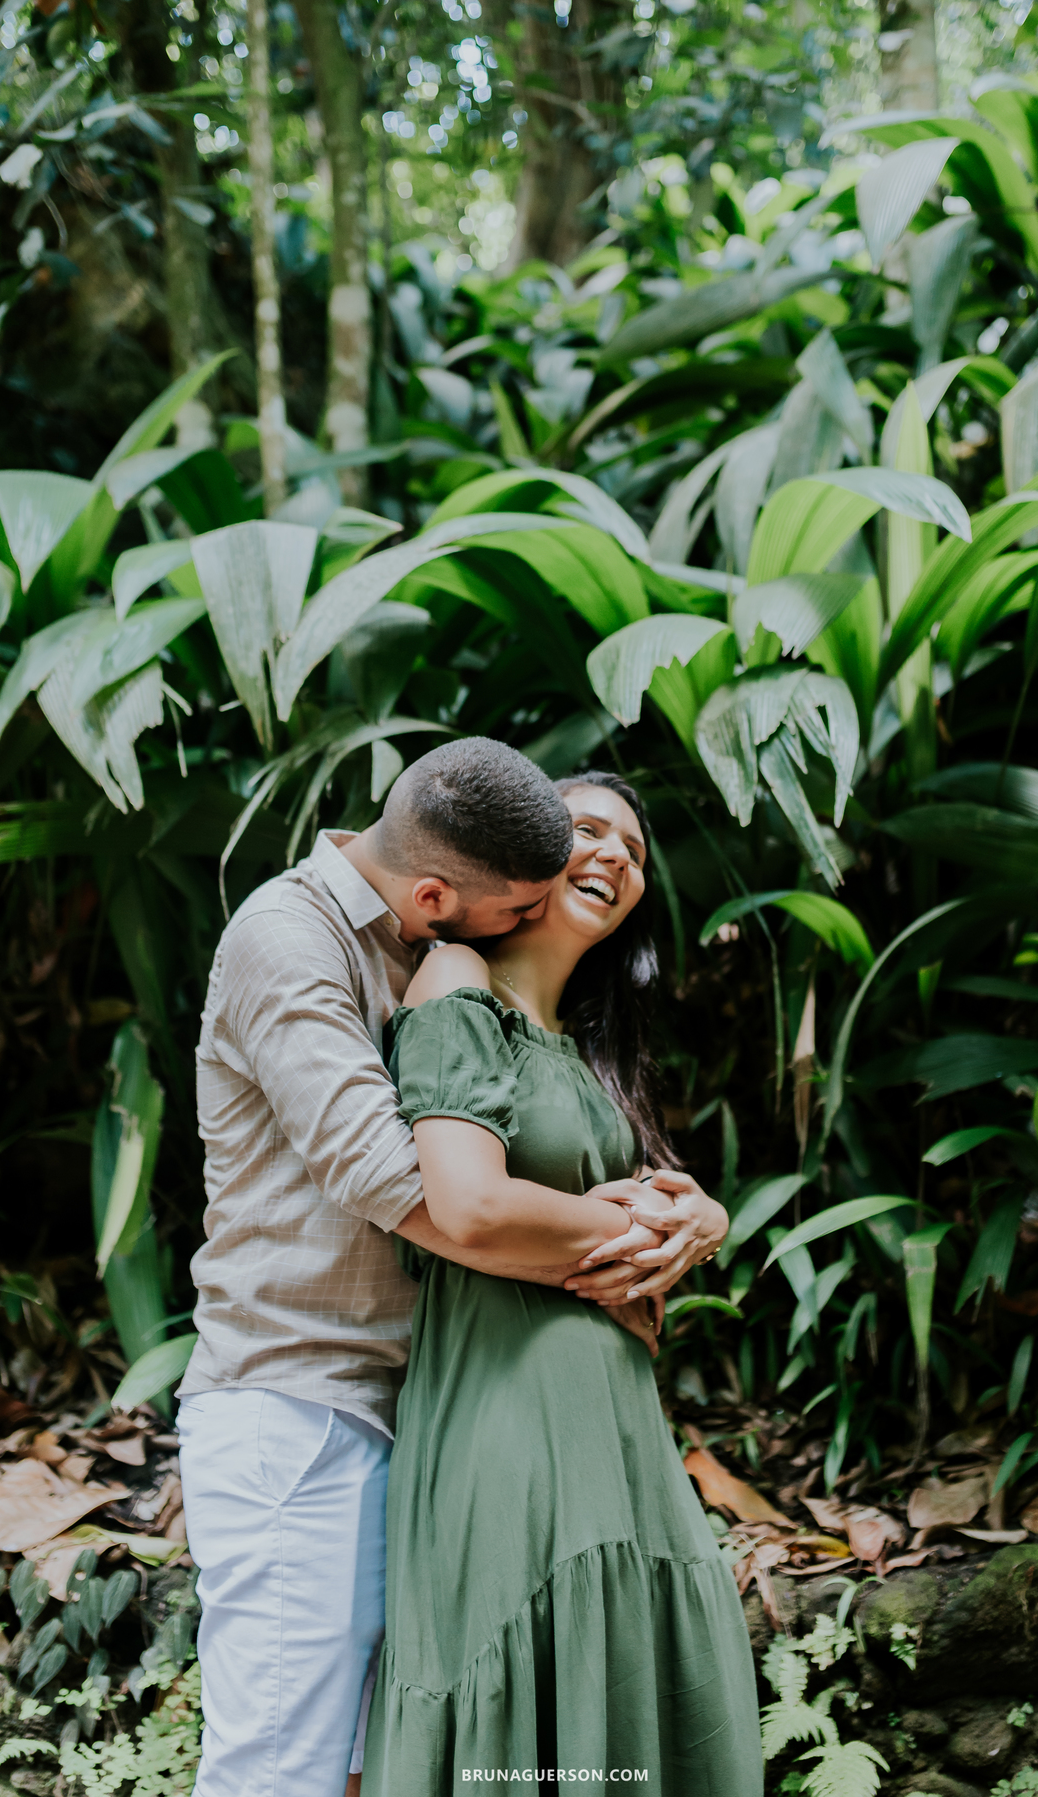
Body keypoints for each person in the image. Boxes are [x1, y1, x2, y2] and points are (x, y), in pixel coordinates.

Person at [176, 739, 725, 1797]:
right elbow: (422, 1192)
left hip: (426, 1408)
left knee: (387, 1769)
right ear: (441, 892)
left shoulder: (423, 935)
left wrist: (699, 1214)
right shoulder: (292, 937)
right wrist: (633, 1240)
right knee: (281, 1769)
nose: (524, 919)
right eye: (517, 905)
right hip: (304, 1402)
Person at [360, 770, 761, 1796]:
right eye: (587, 831)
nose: (616, 856)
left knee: (633, 1709)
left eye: (633, 850)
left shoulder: (589, 1060)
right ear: (522, 859)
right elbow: (473, 1206)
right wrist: (650, 1223)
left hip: (620, 1432)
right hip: (513, 1423)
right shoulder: (456, 983)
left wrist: (703, 1223)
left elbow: (652, 1247)